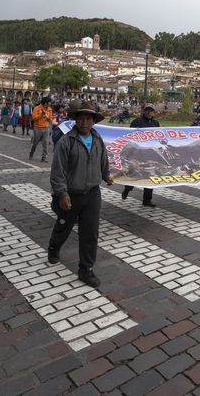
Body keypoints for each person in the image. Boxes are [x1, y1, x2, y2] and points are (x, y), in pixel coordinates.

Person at [47, 100, 112, 288]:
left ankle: (86, 269)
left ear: (93, 121)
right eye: (81, 118)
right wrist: (62, 193)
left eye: (88, 118)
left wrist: (106, 175)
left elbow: (103, 160)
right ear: (76, 120)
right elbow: (57, 171)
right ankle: (54, 247)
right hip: (71, 194)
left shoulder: (97, 138)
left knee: (90, 232)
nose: (85, 122)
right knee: (64, 225)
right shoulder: (66, 142)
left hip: (92, 193)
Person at [121, 105, 161, 207]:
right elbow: (129, 135)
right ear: (144, 111)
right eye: (147, 110)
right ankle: (127, 188)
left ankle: (147, 199)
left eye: (151, 111)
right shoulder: (137, 121)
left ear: (154, 112)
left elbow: (158, 136)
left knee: (149, 175)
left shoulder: (156, 123)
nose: (149, 112)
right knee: (133, 172)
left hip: (149, 153)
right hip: (137, 153)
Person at [29, 97, 53, 162]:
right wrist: (41, 115)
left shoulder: (49, 109)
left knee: (45, 143)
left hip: (46, 128)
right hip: (37, 128)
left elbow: (51, 119)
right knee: (35, 143)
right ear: (45, 103)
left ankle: (44, 157)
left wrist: (48, 117)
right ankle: (31, 153)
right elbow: (33, 118)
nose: (50, 103)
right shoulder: (37, 108)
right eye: (49, 102)